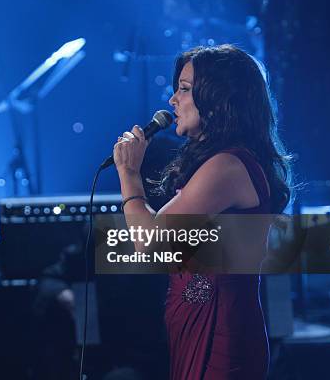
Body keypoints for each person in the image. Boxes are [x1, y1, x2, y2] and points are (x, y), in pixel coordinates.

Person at [113, 44, 292, 379]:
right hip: (196, 325)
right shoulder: (222, 162)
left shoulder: (228, 166)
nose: (172, 101)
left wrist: (129, 175)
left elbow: (149, 244)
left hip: (220, 331)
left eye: (183, 89)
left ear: (218, 98)